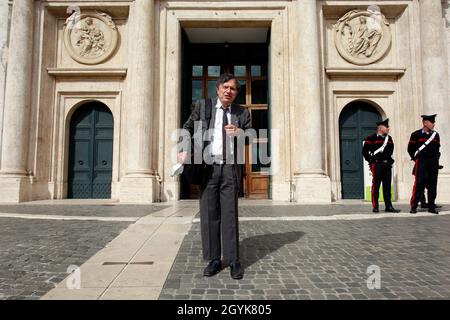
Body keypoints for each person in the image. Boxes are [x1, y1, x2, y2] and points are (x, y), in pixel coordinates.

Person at [178, 74, 251, 279]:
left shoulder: (242, 112)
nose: (229, 91)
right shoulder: (203, 106)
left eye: (233, 89)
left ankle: (233, 260)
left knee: (229, 214)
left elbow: (250, 136)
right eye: (225, 87)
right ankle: (214, 259)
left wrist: (240, 133)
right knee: (209, 214)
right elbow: (187, 128)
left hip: (229, 168)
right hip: (207, 167)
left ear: (236, 93)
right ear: (218, 89)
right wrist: (184, 148)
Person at [362, 118, 400, 213]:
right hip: (377, 164)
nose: (388, 128)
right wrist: (371, 161)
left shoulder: (389, 139)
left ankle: (389, 206)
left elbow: (391, 150)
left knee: (387, 187)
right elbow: (364, 151)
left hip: (387, 164)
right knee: (376, 186)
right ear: (380, 128)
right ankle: (375, 206)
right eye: (386, 127)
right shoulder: (371, 138)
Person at [408, 114, 441, 214]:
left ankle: (431, 206)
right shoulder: (415, 135)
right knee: (419, 184)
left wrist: (436, 161)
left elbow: (437, 149)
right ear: (425, 123)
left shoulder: (436, 135)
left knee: (432, 185)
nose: (433, 124)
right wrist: (416, 159)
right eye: (432, 122)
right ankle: (414, 206)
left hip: (433, 163)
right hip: (421, 162)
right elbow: (410, 149)